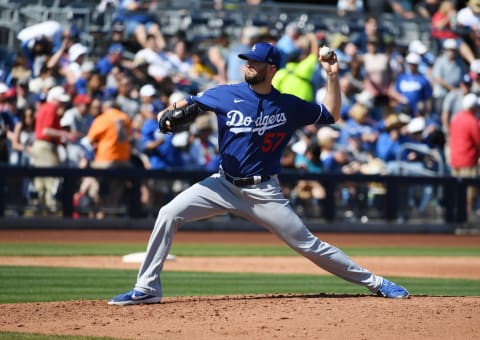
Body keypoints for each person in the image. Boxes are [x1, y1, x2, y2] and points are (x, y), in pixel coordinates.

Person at [108, 41, 409, 306]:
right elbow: (181, 108)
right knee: (168, 213)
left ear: (271, 68)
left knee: (308, 244)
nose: (248, 65)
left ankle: (377, 283)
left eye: (255, 62)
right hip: (222, 184)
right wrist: (167, 118)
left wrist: (332, 76)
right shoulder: (224, 94)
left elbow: (330, 114)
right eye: (247, 60)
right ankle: (146, 289)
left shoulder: (287, 104)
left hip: (263, 192)